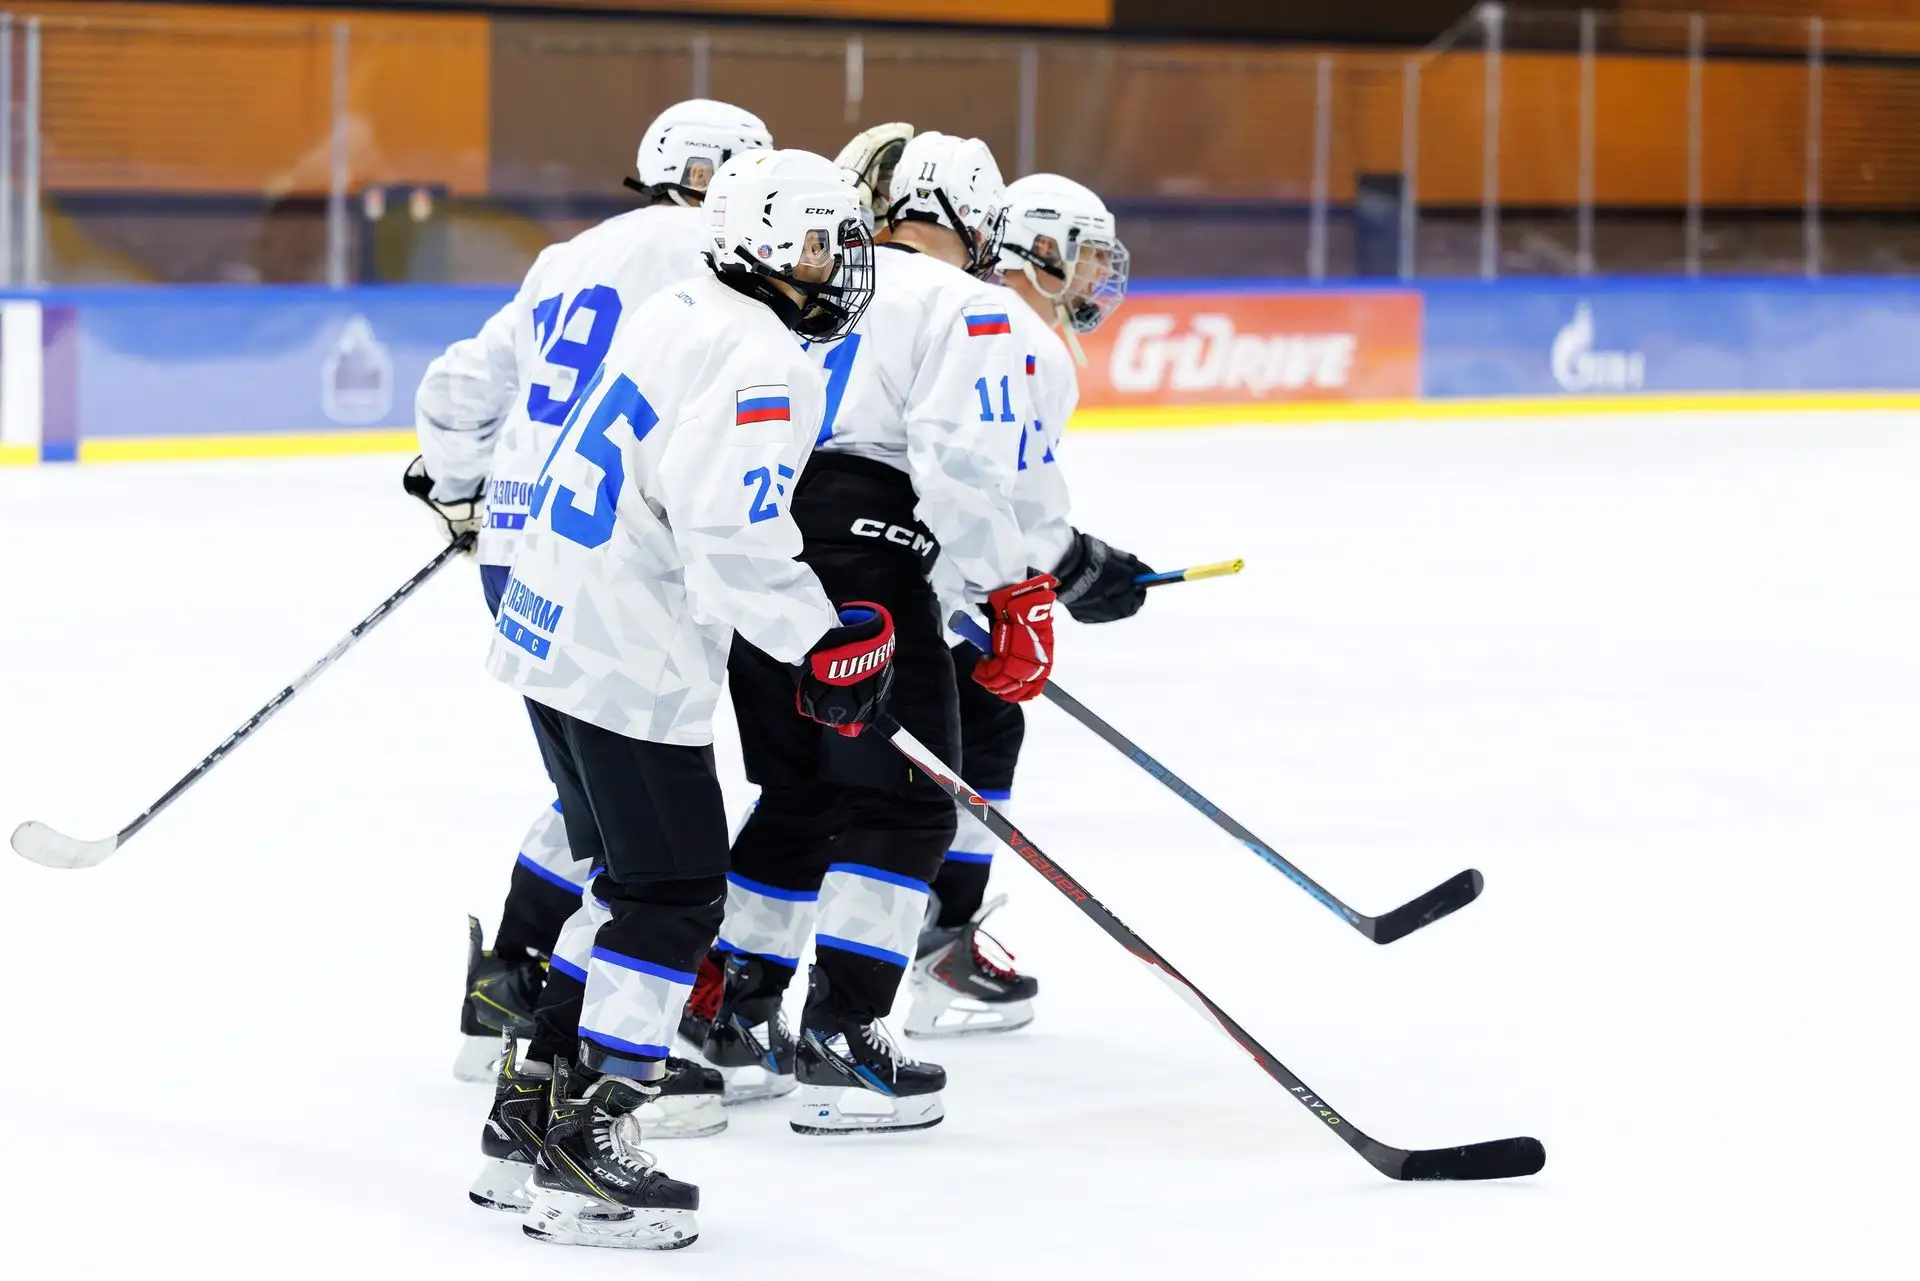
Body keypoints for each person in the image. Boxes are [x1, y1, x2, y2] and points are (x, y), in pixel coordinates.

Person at [470, 148, 889, 1250]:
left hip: (554, 625)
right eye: (817, 242)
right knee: (672, 894)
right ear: (758, 238)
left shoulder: (683, 308)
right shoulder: (765, 357)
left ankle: (529, 1115)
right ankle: (591, 1142)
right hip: (627, 651)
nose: (838, 264)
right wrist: (822, 642)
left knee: (624, 881)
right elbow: (729, 532)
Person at [691, 131, 1055, 1135]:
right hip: (874, 566)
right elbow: (964, 466)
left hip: (767, 553)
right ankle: (843, 1041)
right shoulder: (967, 303)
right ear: (973, 220)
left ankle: (736, 1017)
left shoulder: (801, 280)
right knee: (906, 807)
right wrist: (1008, 588)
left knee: (800, 795)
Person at [403, 98, 771, 1086]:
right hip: (619, 558)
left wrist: (461, 492)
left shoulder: (568, 255)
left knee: (596, 795)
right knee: (644, 825)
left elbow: (455, 390)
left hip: (520, 551)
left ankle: (512, 991)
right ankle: (599, 1046)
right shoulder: (721, 260)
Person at [906, 171, 1153, 1039]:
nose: (1098, 278)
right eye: (1087, 256)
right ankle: (933, 947)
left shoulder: (957, 311)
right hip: (943, 588)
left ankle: (922, 939)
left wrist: (1060, 562)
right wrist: (1063, 567)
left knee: (928, 760)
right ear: (1042, 247)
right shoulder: (1012, 333)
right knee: (948, 758)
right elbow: (989, 482)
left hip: (913, 575)